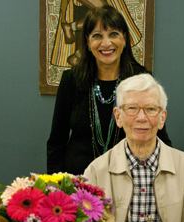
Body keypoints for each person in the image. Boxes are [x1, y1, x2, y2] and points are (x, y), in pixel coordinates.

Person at [83, 73, 184, 222]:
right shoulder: (95, 171)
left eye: (151, 109)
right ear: (118, 116)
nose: (141, 117)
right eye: (131, 108)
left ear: (162, 118)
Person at [47, 5, 171, 176]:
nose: (106, 43)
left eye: (113, 34)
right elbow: (56, 141)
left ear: (125, 39)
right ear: (88, 42)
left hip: (129, 180)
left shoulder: (141, 79)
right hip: (78, 182)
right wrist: (56, 185)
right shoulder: (71, 80)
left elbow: (160, 139)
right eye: (97, 36)